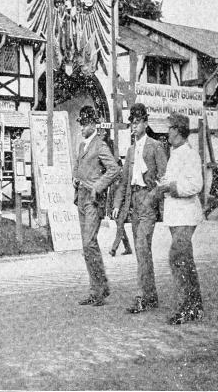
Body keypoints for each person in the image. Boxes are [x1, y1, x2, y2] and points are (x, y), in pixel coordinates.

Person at [112, 103, 167, 314]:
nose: (134, 127)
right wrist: (117, 204)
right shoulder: (130, 150)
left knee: (143, 247)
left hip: (148, 201)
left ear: (145, 123)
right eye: (132, 124)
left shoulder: (155, 146)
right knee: (141, 251)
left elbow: (164, 177)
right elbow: (124, 181)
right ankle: (150, 295)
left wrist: (156, 198)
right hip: (134, 202)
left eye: (137, 123)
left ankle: (141, 297)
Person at [156, 112, 204, 325]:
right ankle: (195, 306)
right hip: (176, 215)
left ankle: (186, 307)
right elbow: (173, 179)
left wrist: (172, 187)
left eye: (170, 129)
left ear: (177, 130)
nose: (167, 133)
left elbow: (196, 185)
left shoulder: (190, 154)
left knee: (177, 258)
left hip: (186, 214)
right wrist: (163, 183)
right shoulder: (175, 153)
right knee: (185, 261)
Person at [72, 106, 120, 307]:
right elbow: (77, 167)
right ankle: (97, 288)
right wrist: (74, 178)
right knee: (87, 245)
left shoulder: (100, 145)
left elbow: (114, 169)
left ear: (93, 124)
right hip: (81, 197)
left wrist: (98, 187)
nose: (82, 128)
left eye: (84, 124)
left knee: (89, 243)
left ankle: (100, 289)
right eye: (81, 124)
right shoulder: (82, 146)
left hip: (93, 199)